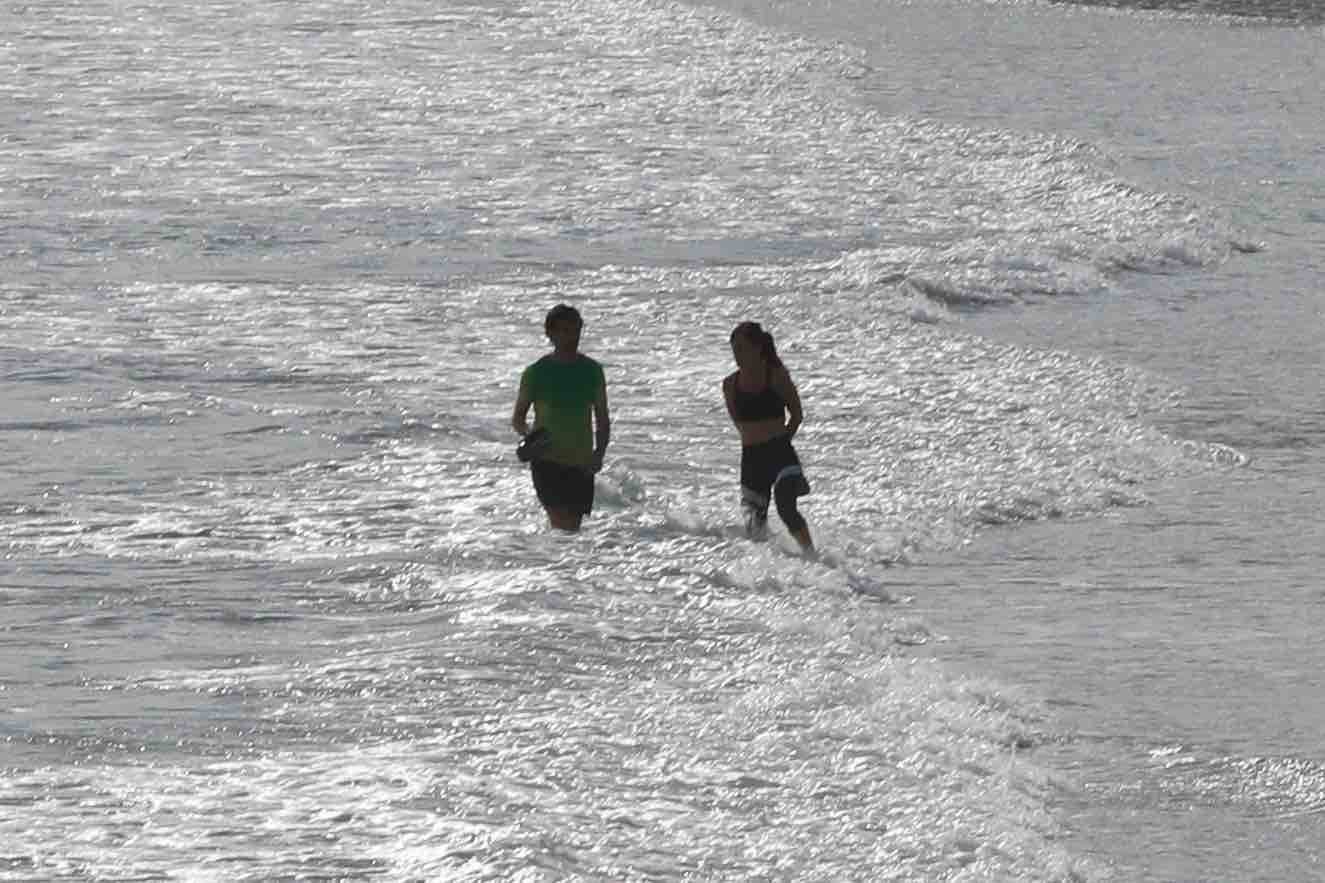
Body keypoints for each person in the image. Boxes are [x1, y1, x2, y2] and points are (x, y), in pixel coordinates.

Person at [511, 304, 610, 532]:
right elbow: (518, 418)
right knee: (561, 524)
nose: (571, 337)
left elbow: (602, 419)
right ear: (550, 334)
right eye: (564, 331)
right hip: (547, 460)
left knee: (571, 530)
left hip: (581, 461)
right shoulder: (536, 372)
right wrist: (531, 437)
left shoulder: (592, 370)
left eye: (575, 330)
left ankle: (558, 565)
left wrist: (599, 454)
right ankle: (553, 564)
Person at [722, 321, 814, 555]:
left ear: (757, 348)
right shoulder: (730, 385)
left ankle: (811, 554)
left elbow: (797, 414)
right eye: (734, 350)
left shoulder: (776, 375)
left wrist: (782, 441)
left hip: (780, 453)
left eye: (742, 349)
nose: (737, 356)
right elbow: (739, 424)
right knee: (755, 526)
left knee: (786, 507)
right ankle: (770, 568)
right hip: (751, 459)